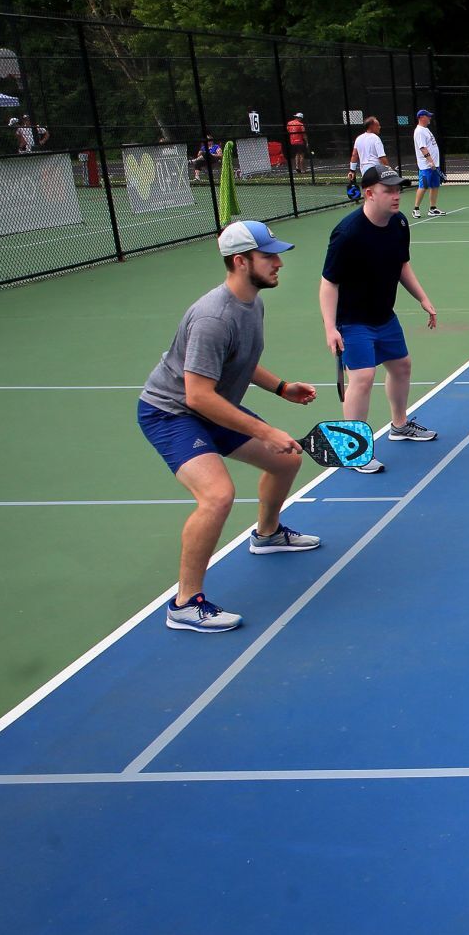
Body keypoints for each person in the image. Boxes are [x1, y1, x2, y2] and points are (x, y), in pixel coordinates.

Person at [136, 220, 322, 633]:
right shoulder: (212, 318)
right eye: (268, 256)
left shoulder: (251, 302)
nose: (278, 263)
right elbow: (197, 396)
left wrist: (281, 388)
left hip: (210, 407)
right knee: (218, 495)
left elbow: (237, 359)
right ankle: (185, 603)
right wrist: (265, 431)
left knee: (286, 460)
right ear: (241, 262)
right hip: (171, 413)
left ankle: (268, 535)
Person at [319, 164, 438, 472]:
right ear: (369, 194)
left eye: (398, 190)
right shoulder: (348, 233)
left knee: (402, 366)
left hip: (384, 315)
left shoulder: (399, 224)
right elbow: (329, 282)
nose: (397, 196)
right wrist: (330, 327)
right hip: (353, 320)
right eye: (389, 191)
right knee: (362, 378)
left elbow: (402, 266)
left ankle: (399, 426)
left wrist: (423, 298)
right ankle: (352, 449)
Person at [411, 108, 442, 218]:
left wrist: (435, 163)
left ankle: (432, 208)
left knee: (435, 186)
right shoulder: (419, 131)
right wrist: (431, 162)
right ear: (421, 117)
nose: (430, 118)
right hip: (426, 166)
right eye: (428, 116)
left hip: (434, 165)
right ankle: (416, 209)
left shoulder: (426, 129)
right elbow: (423, 148)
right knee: (423, 186)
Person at [349, 116, 389, 181]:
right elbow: (382, 157)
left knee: (368, 189)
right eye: (377, 125)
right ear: (371, 126)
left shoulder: (358, 138)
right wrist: (389, 170)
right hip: (375, 171)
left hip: (364, 171)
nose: (379, 127)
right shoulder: (376, 138)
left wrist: (352, 171)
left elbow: (354, 155)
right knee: (379, 189)